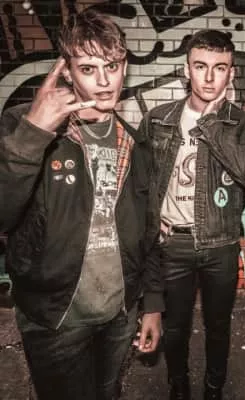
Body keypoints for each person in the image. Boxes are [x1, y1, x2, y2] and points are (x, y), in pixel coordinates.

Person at [0, 9, 163, 400]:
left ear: (125, 67)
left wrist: (152, 303)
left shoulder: (135, 142)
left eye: (112, 66)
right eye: (88, 69)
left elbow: (149, 231)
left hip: (119, 314)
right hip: (55, 319)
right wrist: (33, 135)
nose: (104, 82)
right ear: (68, 72)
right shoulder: (24, 126)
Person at [138, 29, 245, 400]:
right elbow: (140, 182)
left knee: (218, 326)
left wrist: (209, 122)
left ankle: (213, 388)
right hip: (172, 244)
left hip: (221, 244)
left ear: (231, 73)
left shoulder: (244, 123)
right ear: (186, 69)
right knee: (175, 327)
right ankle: (178, 386)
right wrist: (151, 220)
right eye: (200, 66)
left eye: (219, 68)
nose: (209, 77)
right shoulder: (158, 119)